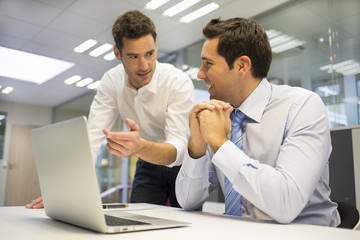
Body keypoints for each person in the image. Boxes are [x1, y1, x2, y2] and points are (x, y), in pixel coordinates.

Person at [175, 17, 340, 227]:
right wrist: (196, 147)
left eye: (208, 64)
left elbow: (286, 203)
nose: (200, 73)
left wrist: (219, 142)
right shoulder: (221, 115)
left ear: (242, 65)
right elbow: (187, 201)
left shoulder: (303, 106)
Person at [26, 10, 194, 209]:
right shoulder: (111, 81)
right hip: (147, 162)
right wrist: (64, 189)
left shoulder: (177, 82)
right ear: (117, 53)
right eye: (133, 56)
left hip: (184, 164)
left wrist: (140, 147)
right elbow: (92, 137)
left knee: (188, 223)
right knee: (138, 221)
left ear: (156, 46)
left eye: (150, 54)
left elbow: (179, 147)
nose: (144, 65)